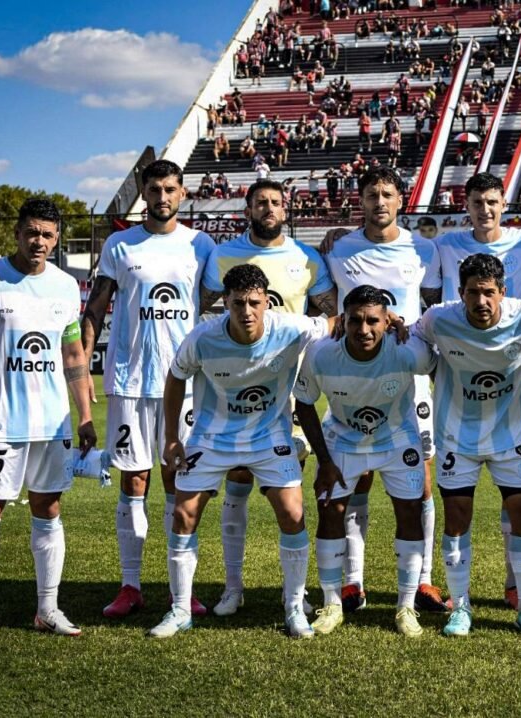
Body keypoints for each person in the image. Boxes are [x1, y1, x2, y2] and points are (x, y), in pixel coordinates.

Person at [148, 264, 335, 639]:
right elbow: (175, 377)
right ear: (225, 303)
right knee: (184, 514)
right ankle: (180, 609)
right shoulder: (203, 338)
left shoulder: (291, 328)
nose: (246, 311)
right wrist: (171, 437)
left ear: (267, 302)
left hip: (269, 436)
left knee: (292, 512)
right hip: (212, 437)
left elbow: (334, 323)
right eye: (237, 303)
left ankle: (293, 607)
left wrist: (392, 319)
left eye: (253, 303)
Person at [412, 254, 521, 637]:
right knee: (457, 518)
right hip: (457, 437)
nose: (481, 301)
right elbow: (412, 334)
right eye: (472, 293)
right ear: (460, 293)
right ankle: (461, 609)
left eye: (489, 292)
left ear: (503, 292)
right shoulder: (438, 318)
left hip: (512, 439)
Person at [0, 198, 96, 642]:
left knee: (49, 509)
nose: (39, 242)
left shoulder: (66, 286)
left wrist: (85, 415)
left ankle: (47, 609)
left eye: (48, 235)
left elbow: (73, 354)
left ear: (57, 239)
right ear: (17, 233)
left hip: (52, 422)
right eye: (32, 232)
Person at [81, 160, 215, 620]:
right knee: (134, 480)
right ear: (144, 191)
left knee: (180, 482)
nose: (162, 197)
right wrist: (83, 366)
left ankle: (183, 589)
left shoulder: (200, 245)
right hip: (130, 380)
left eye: (170, 189)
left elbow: (216, 304)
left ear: (182, 193)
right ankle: (131, 585)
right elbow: (96, 306)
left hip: (185, 384)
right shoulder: (119, 244)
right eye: (154, 189)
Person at [198, 179, 339, 617]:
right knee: (237, 485)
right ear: (248, 208)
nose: (269, 208)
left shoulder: (306, 258)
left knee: (290, 494)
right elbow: (201, 308)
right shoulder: (223, 255)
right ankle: (233, 588)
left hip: (289, 396)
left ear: (286, 208)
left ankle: (293, 594)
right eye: (261, 202)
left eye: (276, 202)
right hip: (236, 395)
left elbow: (331, 312)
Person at [323, 166, 449, 614]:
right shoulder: (338, 248)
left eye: (387, 194)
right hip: (355, 376)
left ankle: (424, 581)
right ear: (360, 200)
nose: (379, 202)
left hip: (408, 377)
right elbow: (328, 304)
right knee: (356, 479)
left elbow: (432, 309)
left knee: (421, 481)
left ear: (401, 200)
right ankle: (352, 582)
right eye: (372, 194)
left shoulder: (423, 249)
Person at [434, 172, 521, 607]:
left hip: (511, 377)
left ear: (504, 204)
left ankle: (516, 587)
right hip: (459, 372)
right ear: (465, 206)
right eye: (477, 202)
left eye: (492, 201)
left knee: (518, 503)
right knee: (455, 509)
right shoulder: (443, 245)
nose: (485, 210)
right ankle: (454, 597)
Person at [294, 285, 435, 636]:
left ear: (387, 321)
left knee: (410, 512)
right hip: (343, 440)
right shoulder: (322, 353)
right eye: (355, 320)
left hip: (397, 439)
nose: (364, 329)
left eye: (373, 320)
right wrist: (324, 460)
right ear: (343, 320)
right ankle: (332, 604)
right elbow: (305, 404)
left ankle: (405, 607)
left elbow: (441, 366)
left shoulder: (407, 350)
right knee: (330, 512)